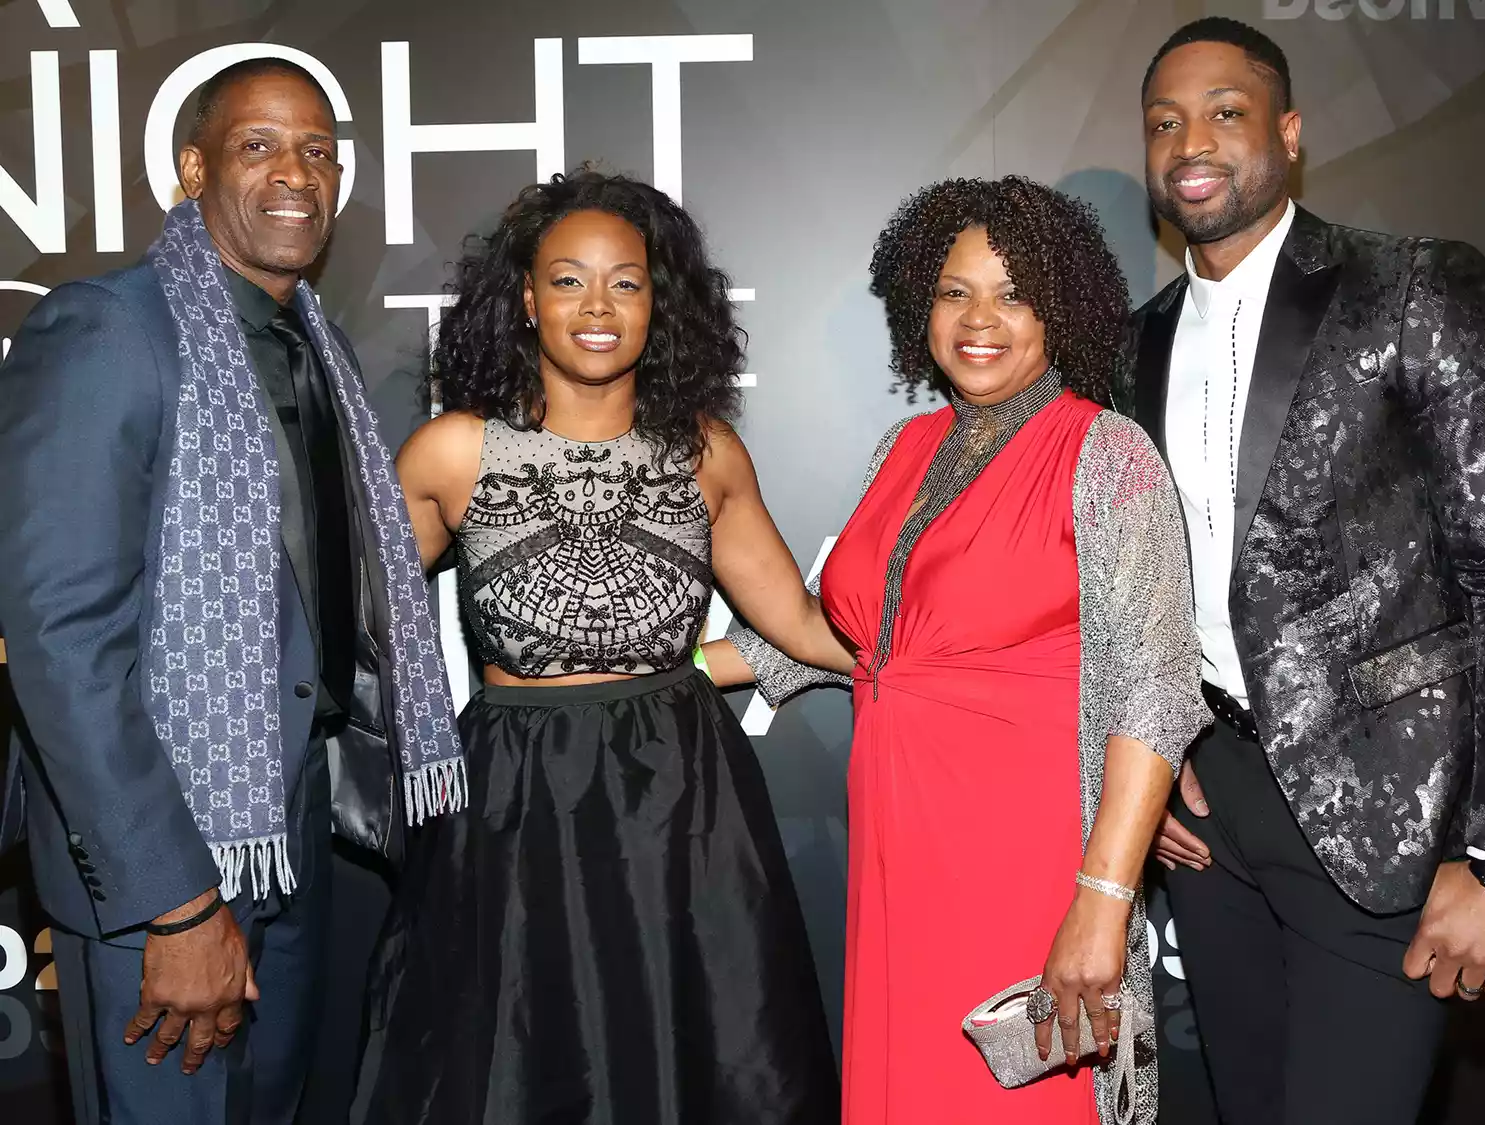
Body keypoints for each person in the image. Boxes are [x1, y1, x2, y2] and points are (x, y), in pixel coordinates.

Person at [0, 60, 462, 1125]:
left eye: (318, 152)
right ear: (193, 168)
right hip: (163, 864)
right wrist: (177, 902)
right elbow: (63, 643)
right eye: (259, 146)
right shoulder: (108, 331)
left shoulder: (319, 349)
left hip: (291, 832)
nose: (295, 173)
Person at [706, 176, 1208, 1124]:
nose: (981, 319)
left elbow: (1154, 689)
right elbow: (853, 635)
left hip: (1031, 857)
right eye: (954, 292)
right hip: (900, 857)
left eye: (1014, 294)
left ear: (1060, 308)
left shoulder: (1107, 453)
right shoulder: (904, 447)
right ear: (918, 309)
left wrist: (1103, 902)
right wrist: (654, 667)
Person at [350, 169, 841, 1125]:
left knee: (703, 1053)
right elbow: (352, 629)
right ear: (526, 300)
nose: (598, 307)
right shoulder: (451, 452)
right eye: (568, 280)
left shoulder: (705, 452)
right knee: (507, 1063)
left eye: (626, 281)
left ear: (661, 302)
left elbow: (804, 627)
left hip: (684, 797)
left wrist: (957, 639)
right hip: (509, 800)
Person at [1126, 18, 1485, 1125]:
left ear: (1287, 134)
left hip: (1391, 813)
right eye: (1165, 121)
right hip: (1209, 813)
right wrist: (1148, 768)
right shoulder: (1130, 340)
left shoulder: (1410, 287)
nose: (1191, 141)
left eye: (1225, 113)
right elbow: (1129, 588)